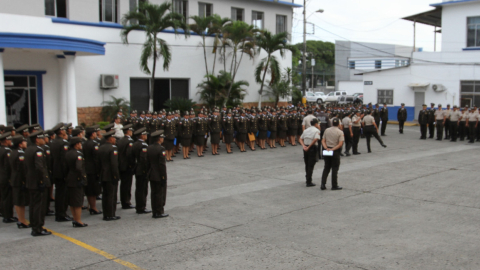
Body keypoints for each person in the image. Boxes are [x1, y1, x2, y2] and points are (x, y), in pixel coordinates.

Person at [25, 131, 51, 236]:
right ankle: (38, 228)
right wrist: (42, 181)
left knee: (33, 204)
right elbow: (40, 168)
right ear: (37, 139)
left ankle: (34, 225)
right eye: (41, 138)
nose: (43, 140)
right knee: (39, 206)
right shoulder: (38, 151)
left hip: (30, 181)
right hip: (37, 182)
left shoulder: (28, 149)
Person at [50, 123, 72, 222]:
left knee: (59, 193)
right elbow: (64, 159)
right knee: (63, 194)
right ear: (62, 131)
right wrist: (66, 173)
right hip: (62, 172)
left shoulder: (53, 142)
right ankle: (61, 214)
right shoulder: (63, 143)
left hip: (55, 170)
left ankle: (60, 213)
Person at [98, 130, 121, 221]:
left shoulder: (101, 147)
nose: (115, 139)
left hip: (103, 174)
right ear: (111, 138)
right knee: (111, 195)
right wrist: (116, 176)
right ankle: (111, 214)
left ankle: (106, 213)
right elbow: (114, 164)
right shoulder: (113, 148)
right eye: (114, 138)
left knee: (105, 195)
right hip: (110, 175)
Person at [65, 137, 88, 227]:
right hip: (77, 179)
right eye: (79, 143)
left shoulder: (68, 153)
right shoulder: (78, 154)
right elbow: (79, 168)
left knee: (72, 200)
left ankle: (75, 218)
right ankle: (78, 220)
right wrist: (81, 178)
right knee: (78, 201)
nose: (80, 145)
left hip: (70, 178)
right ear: (76, 144)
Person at [147, 130, 169, 219]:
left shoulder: (149, 147)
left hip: (151, 173)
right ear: (159, 139)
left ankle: (154, 211)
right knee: (160, 194)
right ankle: (159, 211)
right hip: (159, 174)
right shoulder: (161, 149)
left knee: (154, 193)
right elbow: (162, 165)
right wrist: (164, 176)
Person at [10, 135, 30, 228]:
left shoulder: (12, 152)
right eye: (24, 142)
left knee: (18, 200)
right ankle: (22, 220)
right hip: (19, 180)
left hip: (14, 179)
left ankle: (21, 219)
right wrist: (24, 181)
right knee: (20, 201)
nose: (26, 143)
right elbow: (22, 169)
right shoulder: (20, 153)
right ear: (20, 144)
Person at [320, 119, 344, 191]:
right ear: (339, 124)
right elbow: (340, 144)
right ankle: (334, 185)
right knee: (334, 168)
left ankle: (323, 184)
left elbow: (323, 140)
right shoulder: (340, 132)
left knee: (326, 167)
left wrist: (326, 147)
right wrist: (332, 149)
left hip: (327, 150)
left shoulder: (327, 130)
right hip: (335, 151)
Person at [83, 127, 102, 215]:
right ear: (93, 134)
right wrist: (99, 169)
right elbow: (96, 158)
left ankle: (92, 206)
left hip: (86, 168)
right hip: (93, 169)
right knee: (93, 189)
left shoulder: (84, 143)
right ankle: (93, 207)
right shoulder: (94, 144)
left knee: (90, 189)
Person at [132, 128, 151, 214]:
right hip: (142, 170)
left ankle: (139, 206)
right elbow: (144, 159)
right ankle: (141, 207)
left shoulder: (135, 144)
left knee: (139, 188)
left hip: (137, 168)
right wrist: (146, 170)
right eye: (145, 134)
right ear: (142, 136)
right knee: (143, 189)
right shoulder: (143, 145)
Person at [117, 124, 135, 209]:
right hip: (127, 166)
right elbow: (129, 154)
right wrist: (132, 165)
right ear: (128, 132)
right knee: (127, 184)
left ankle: (124, 201)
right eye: (131, 131)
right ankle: (126, 202)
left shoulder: (120, 140)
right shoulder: (129, 141)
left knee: (123, 185)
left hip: (121, 165)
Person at [299, 118, 321, 187]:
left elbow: (300, 138)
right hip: (312, 147)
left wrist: (303, 146)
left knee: (307, 163)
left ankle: (307, 178)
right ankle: (309, 181)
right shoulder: (316, 130)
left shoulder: (306, 130)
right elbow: (315, 139)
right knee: (311, 164)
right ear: (316, 124)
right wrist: (309, 147)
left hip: (305, 147)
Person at [0, 132, 16, 223]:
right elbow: (8, 166)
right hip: (5, 178)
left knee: (3, 197)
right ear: (6, 140)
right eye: (10, 140)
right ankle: (8, 216)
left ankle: (5, 214)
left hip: (1, 177)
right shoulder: (7, 151)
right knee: (8, 198)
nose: (11, 142)